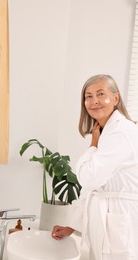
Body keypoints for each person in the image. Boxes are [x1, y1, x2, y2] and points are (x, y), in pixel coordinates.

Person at [51, 74, 138, 260]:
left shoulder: (120, 133)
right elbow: (93, 188)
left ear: (116, 98)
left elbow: (89, 177)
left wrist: (92, 146)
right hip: (108, 217)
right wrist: (72, 226)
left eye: (100, 94)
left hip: (120, 218)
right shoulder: (108, 132)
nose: (94, 101)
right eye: (88, 96)